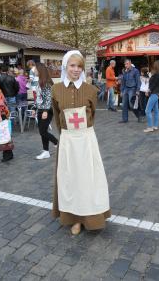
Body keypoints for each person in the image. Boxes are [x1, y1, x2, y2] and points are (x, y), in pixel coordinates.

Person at [52, 50, 110, 235]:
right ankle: (74, 219)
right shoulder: (56, 89)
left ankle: (90, 218)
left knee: (88, 180)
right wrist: (66, 137)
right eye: (72, 66)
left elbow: (92, 115)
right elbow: (57, 116)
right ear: (65, 67)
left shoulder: (91, 90)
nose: (76, 70)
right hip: (68, 141)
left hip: (86, 140)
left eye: (79, 66)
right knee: (70, 180)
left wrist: (82, 134)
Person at [35, 63, 58, 160]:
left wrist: (45, 111)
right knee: (42, 131)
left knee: (43, 131)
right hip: (41, 109)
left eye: (35, 69)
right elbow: (40, 98)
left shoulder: (46, 83)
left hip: (46, 110)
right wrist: (35, 109)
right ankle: (46, 151)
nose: (34, 71)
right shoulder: (41, 81)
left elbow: (49, 98)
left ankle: (57, 143)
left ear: (40, 70)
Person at [144, 60, 159, 133]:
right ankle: (155, 126)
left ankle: (150, 127)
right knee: (156, 111)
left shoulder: (157, 74)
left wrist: (148, 90)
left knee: (147, 110)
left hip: (154, 93)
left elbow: (153, 84)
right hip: (157, 93)